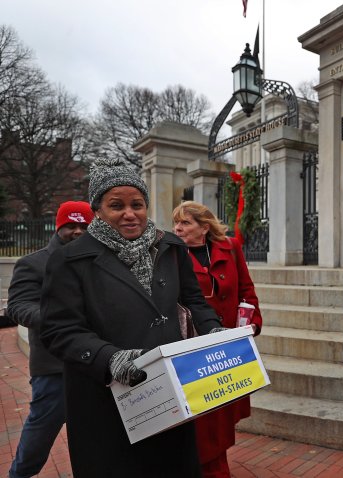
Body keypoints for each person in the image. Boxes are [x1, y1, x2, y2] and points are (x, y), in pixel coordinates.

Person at [39, 158, 222, 478]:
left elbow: (193, 300)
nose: (130, 213)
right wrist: (110, 358)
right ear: (97, 210)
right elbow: (59, 330)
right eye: (116, 205)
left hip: (168, 394)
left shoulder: (171, 247)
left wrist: (213, 329)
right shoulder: (69, 259)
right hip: (106, 399)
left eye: (137, 204)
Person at [172, 200, 262, 478]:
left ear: (204, 226)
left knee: (223, 412)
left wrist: (253, 318)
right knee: (205, 414)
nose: (178, 227)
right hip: (195, 344)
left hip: (230, 341)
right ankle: (211, 468)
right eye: (176, 222)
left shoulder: (230, 248)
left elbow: (246, 286)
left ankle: (215, 464)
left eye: (185, 222)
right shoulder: (172, 254)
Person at [6, 200, 93, 478]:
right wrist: (61, 318)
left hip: (97, 363)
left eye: (84, 225)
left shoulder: (99, 260)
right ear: (59, 227)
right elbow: (18, 307)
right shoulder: (32, 263)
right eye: (71, 225)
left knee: (99, 435)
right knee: (40, 434)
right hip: (55, 367)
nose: (78, 231)